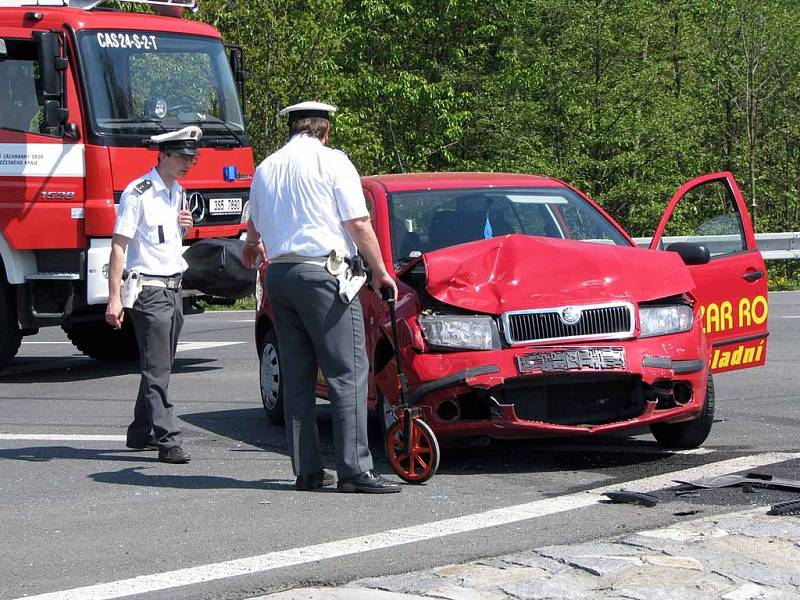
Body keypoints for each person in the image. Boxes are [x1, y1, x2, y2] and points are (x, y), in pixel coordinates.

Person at [242, 101, 401, 493]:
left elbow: (254, 229)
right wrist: (380, 272)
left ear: (292, 130)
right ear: (325, 131)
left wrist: (250, 249)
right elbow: (358, 222)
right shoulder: (333, 162)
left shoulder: (267, 168)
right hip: (323, 274)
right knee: (347, 370)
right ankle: (354, 470)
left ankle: (308, 471)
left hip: (280, 274)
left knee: (297, 378)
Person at [105, 125, 200, 464]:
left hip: (174, 288)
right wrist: (114, 298)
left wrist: (183, 227)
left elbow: (169, 242)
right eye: (181, 157)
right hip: (149, 290)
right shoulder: (139, 192)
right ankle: (168, 439)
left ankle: (140, 430)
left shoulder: (179, 192)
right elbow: (119, 246)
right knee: (157, 369)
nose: (187, 163)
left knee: (160, 365)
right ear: (162, 155)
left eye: (191, 158)